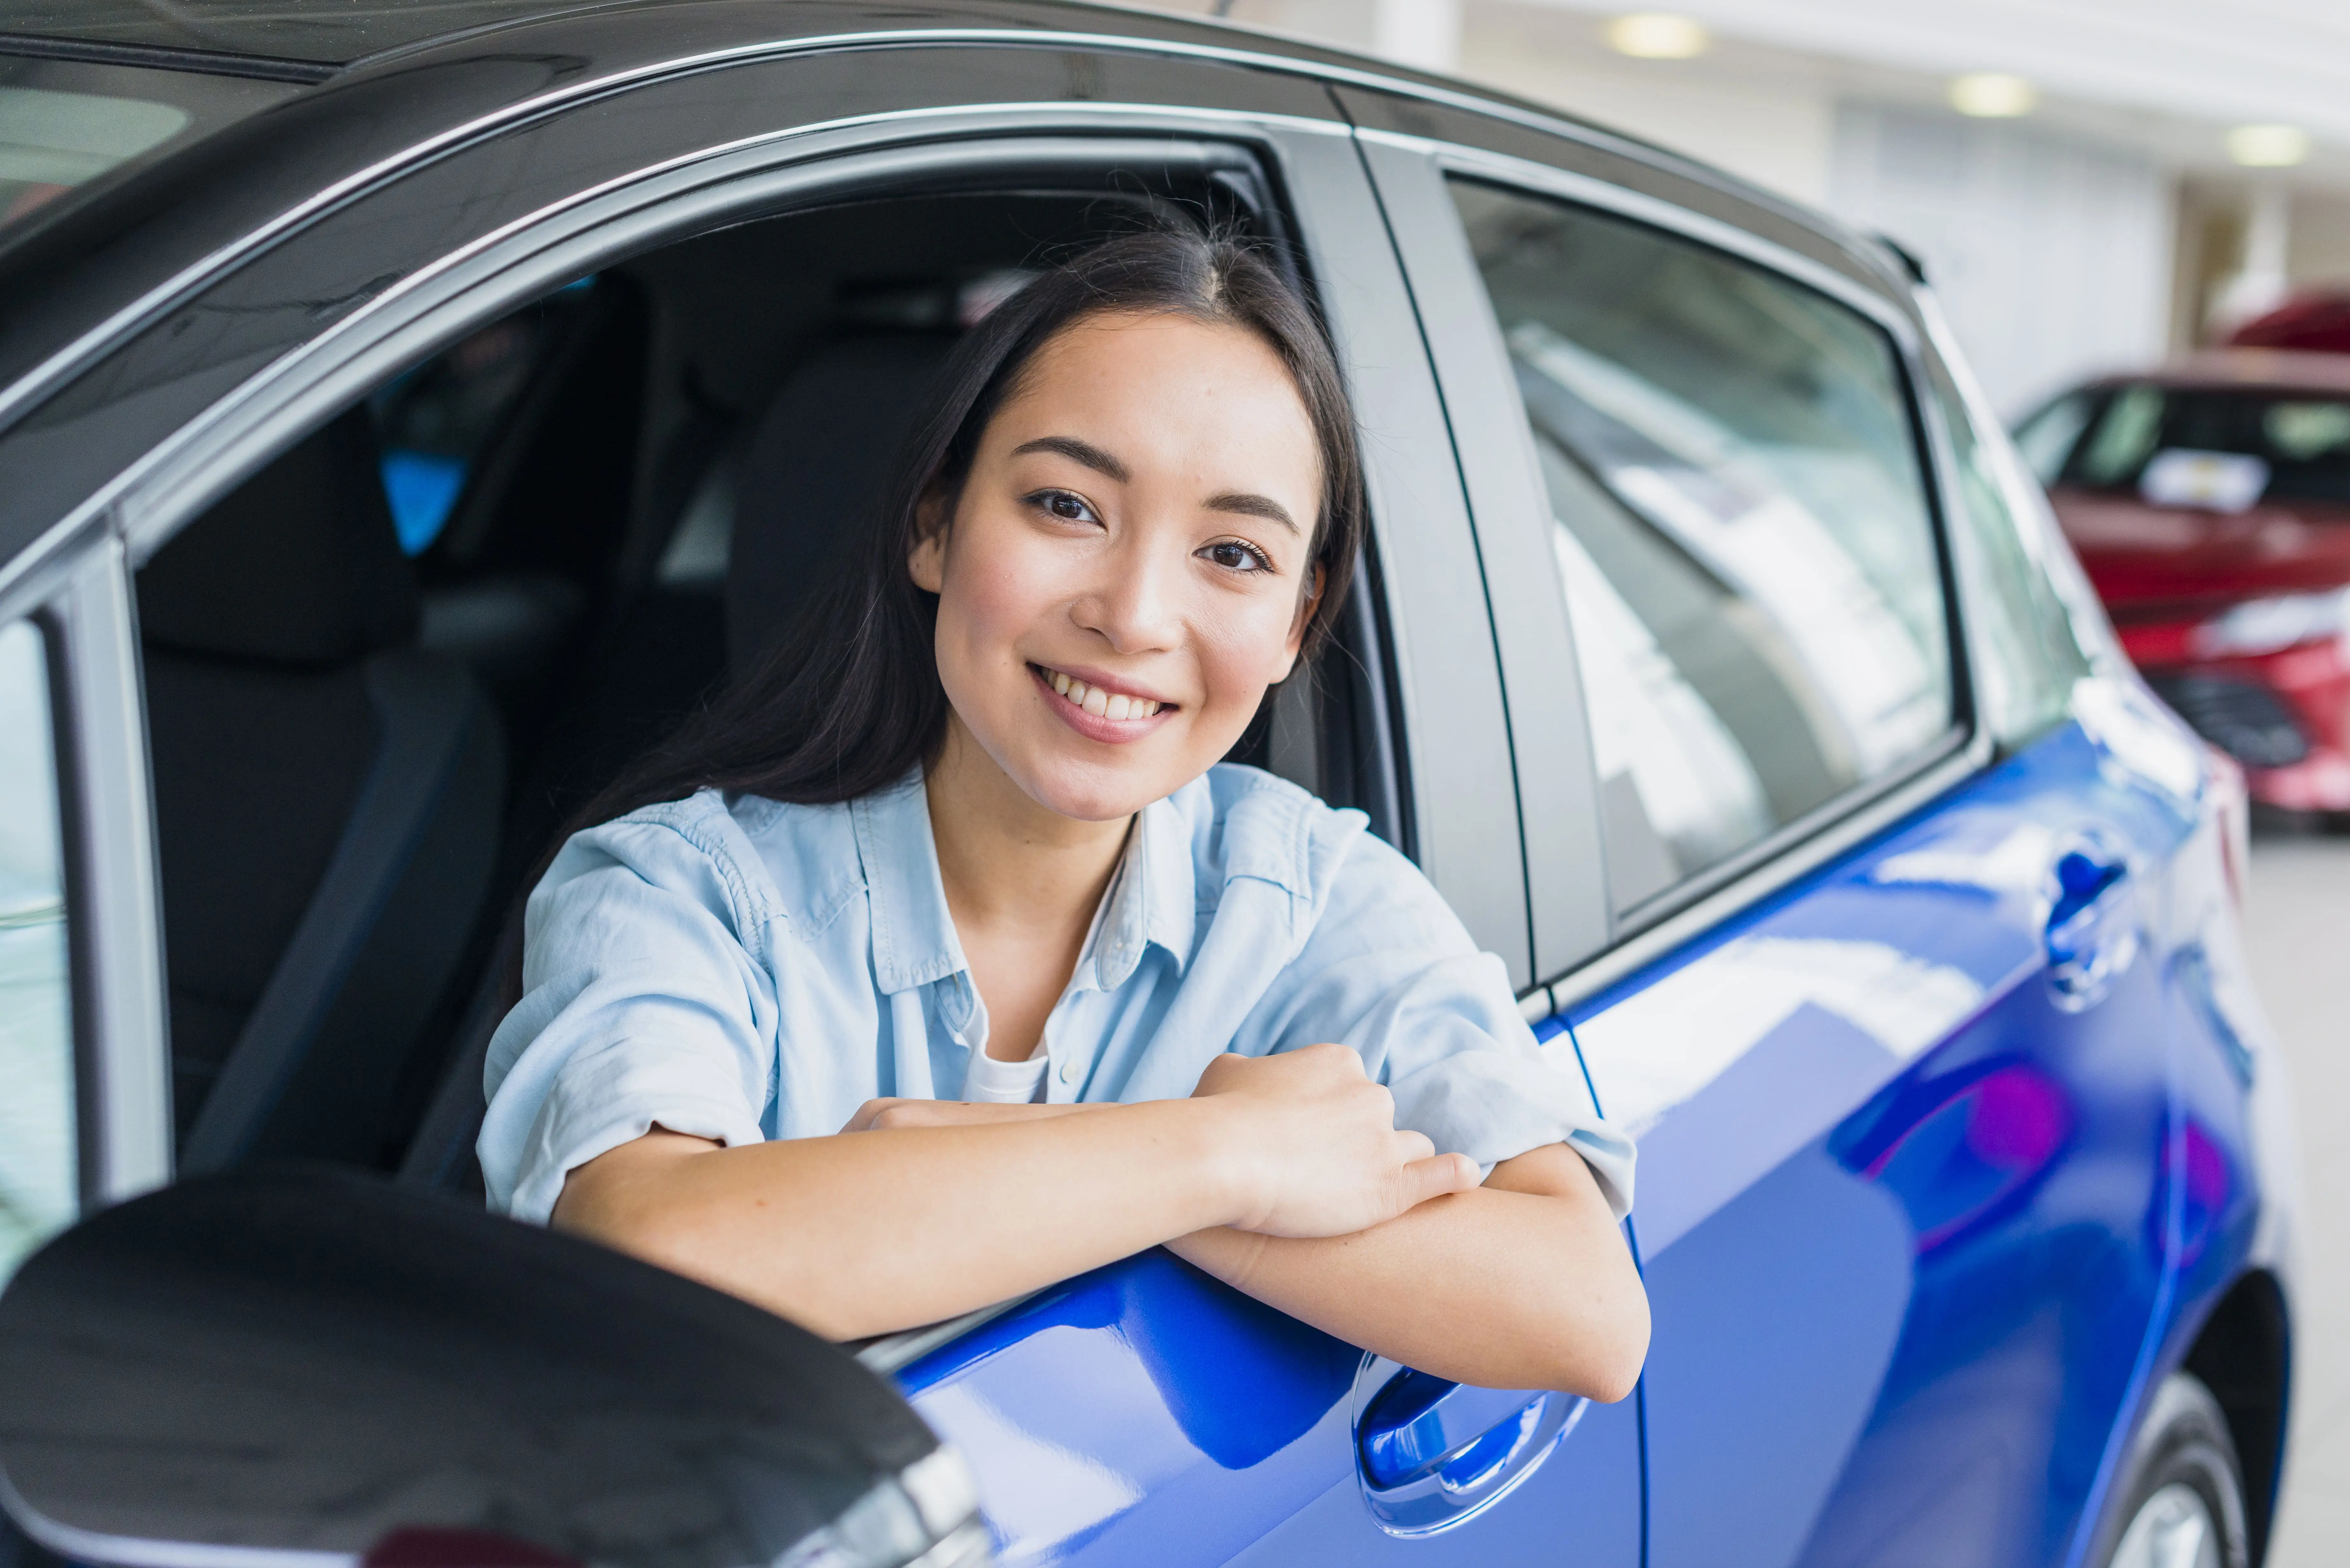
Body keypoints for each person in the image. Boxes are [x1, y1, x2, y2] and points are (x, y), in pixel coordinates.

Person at [477, 227, 1647, 1398]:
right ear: (934, 525)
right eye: (1067, 505)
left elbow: (1588, 1315)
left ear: (1298, 623)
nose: (1134, 614)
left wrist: (1019, 1170)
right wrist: (1223, 1156)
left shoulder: (1311, 895)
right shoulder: (677, 890)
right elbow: (652, 1247)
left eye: (1234, 552)